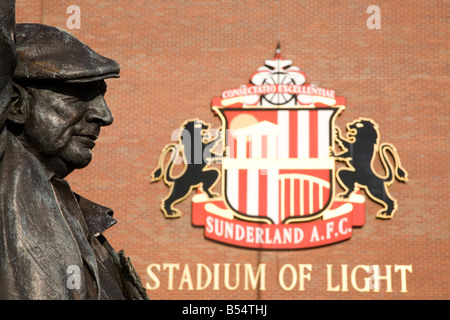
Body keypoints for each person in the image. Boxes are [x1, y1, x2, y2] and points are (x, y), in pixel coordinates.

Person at [0, 23, 148, 300]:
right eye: (80, 94)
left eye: (101, 96)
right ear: (15, 104)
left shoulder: (89, 226)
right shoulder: (6, 179)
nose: (104, 116)